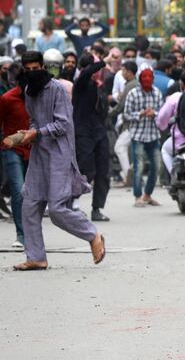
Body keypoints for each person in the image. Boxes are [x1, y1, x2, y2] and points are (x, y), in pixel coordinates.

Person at [8, 51, 105, 270]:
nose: (32, 73)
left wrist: (37, 133)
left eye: (36, 68)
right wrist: (28, 132)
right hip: (39, 154)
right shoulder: (28, 90)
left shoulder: (59, 90)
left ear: (43, 67)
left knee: (57, 210)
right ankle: (36, 257)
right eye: (28, 70)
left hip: (59, 154)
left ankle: (93, 235)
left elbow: (62, 125)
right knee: (30, 205)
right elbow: (34, 120)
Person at [73, 54, 112, 222]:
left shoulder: (98, 86)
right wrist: (105, 60)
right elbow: (86, 73)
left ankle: (97, 209)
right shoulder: (80, 83)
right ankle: (72, 202)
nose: (98, 71)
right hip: (83, 132)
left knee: (103, 172)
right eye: (95, 67)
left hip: (99, 132)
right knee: (86, 170)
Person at [123, 68, 164, 208]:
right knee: (138, 167)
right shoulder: (133, 94)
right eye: (144, 76)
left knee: (157, 166)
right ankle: (138, 196)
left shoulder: (157, 93)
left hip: (153, 134)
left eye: (149, 76)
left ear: (153, 78)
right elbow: (126, 114)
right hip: (138, 135)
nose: (147, 79)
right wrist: (140, 114)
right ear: (140, 78)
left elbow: (162, 113)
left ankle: (147, 195)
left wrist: (155, 113)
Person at [0, 63, 29, 248]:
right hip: (12, 151)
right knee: (18, 192)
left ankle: (31, 231)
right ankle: (21, 234)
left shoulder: (39, 99)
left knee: (32, 194)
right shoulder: (7, 99)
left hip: (34, 151)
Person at [156, 71, 185, 175]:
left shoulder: (175, 97)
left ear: (182, 84)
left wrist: (163, 127)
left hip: (180, 141)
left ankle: (174, 176)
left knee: (165, 150)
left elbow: (161, 119)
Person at [109, 60, 138, 187]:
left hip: (132, 123)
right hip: (135, 122)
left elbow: (121, 106)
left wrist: (108, 114)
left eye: (124, 70)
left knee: (119, 147)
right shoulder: (133, 84)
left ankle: (128, 176)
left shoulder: (130, 85)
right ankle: (129, 175)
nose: (122, 73)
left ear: (130, 72)